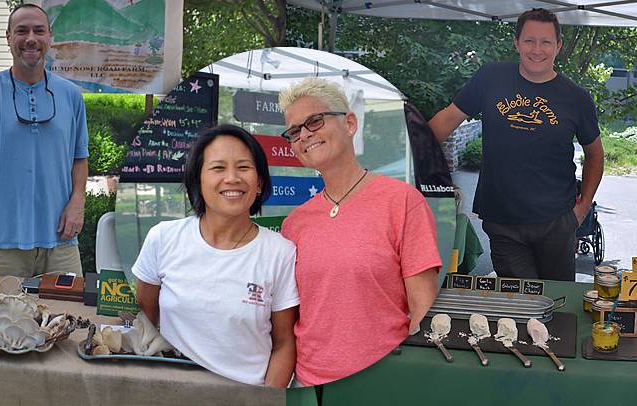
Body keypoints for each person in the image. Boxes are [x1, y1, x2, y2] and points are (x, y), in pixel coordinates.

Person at [278, 78, 441, 387]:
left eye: (314, 120)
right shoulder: (294, 223)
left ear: (349, 123)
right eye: (294, 131)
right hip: (309, 384)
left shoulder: (402, 202)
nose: (305, 135)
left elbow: (424, 312)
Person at [428, 8, 604, 281]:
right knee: (518, 307)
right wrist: (408, 152)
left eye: (546, 42)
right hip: (503, 221)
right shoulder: (491, 78)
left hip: (556, 222)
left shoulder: (576, 98)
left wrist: (582, 208)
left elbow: (595, 154)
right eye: (529, 40)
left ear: (558, 45)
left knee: (557, 304)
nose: (537, 50)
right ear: (517, 42)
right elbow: (447, 119)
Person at [132, 124, 299, 387]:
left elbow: (284, 344)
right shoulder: (163, 238)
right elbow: (145, 316)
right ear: (198, 179)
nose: (232, 178)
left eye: (243, 167)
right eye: (218, 168)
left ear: (259, 183)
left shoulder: (280, 252)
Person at [0, 3, 88, 278]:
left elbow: (79, 158)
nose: (30, 39)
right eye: (21, 31)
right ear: (8, 37)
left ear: (50, 37)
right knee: (0, 320)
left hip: (61, 244)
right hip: (1, 246)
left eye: (39, 31)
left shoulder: (71, 96)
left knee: (68, 320)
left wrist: (77, 203)